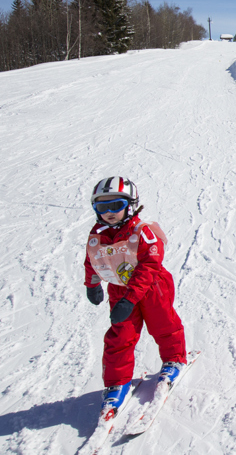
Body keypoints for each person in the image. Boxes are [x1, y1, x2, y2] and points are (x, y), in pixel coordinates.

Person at [84, 177, 187, 418]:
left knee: (163, 324)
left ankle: (174, 359)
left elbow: (150, 266)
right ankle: (117, 383)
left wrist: (130, 299)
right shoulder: (97, 235)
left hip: (152, 288)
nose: (109, 212)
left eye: (116, 205)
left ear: (130, 205)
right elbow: (92, 259)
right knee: (120, 335)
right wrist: (92, 284)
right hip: (120, 290)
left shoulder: (143, 232)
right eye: (102, 207)